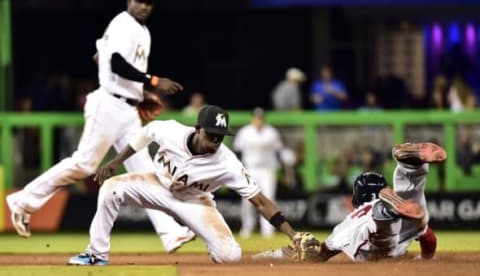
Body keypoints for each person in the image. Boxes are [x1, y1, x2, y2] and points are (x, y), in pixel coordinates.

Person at [6, 0, 195, 253]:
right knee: (84, 164)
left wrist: (139, 94)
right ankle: (22, 201)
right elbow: (116, 62)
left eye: (148, 2)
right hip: (107, 104)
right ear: (129, 1)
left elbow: (100, 56)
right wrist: (152, 81)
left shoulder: (141, 31)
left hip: (127, 110)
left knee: (145, 172)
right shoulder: (122, 22)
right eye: (139, 0)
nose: (144, 5)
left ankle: (170, 232)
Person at [68, 105, 317, 265]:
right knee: (111, 188)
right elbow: (145, 134)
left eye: (220, 137)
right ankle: (96, 254)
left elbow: (260, 201)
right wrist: (115, 161)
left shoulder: (227, 162)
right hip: (157, 184)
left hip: (196, 202)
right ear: (198, 129)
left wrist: (293, 234)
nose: (215, 142)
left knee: (230, 256)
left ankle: (273, 253)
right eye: (211, 135)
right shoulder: (171, 131)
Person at [254, 142, 444, 262]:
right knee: (416, 207)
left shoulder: (350, 221)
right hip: (400, 221)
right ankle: (410, 168)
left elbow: (323, 254)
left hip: (373, 233)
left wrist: (299, 252)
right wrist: (426, 259)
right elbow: (429, 238)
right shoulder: (410, 210)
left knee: (378, 229)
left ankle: (386, 210)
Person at [232, 107, 296, 238]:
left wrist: (286, 157)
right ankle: (247, 227)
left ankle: (268, 230)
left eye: (260, 118)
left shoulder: (271, 132)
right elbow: (237, 151)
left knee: (269, 199)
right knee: (247, 199)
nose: (258, 120)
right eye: (256, 117)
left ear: (264, 119)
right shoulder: (245, 132)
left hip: (268, 169)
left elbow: (280, 150)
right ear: (252, 118)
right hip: (250, 169)